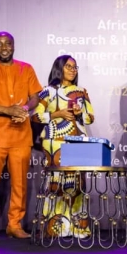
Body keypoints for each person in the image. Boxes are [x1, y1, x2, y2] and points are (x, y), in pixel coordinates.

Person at [0, 31, 43, 240]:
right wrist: (7, 110)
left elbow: (35, 97)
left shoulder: (26, 68)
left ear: (14, 45)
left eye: (8, 44)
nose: (4, 48)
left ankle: (15, 224)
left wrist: (24, 108)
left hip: (21, 136)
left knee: (20, 183)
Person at [32, 55, 95, 238]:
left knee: (77, 183)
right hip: (54, 142)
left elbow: (91, 118)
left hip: (77, 140)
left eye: (75, 67)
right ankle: (55, 227)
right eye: (68, 66)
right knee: (55, 184)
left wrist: (79, 112)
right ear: (59, 68)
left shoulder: (81, 91)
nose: (73, 70)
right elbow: (35, 116)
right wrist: (56, 114)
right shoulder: (47, 91)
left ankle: (78, 227)